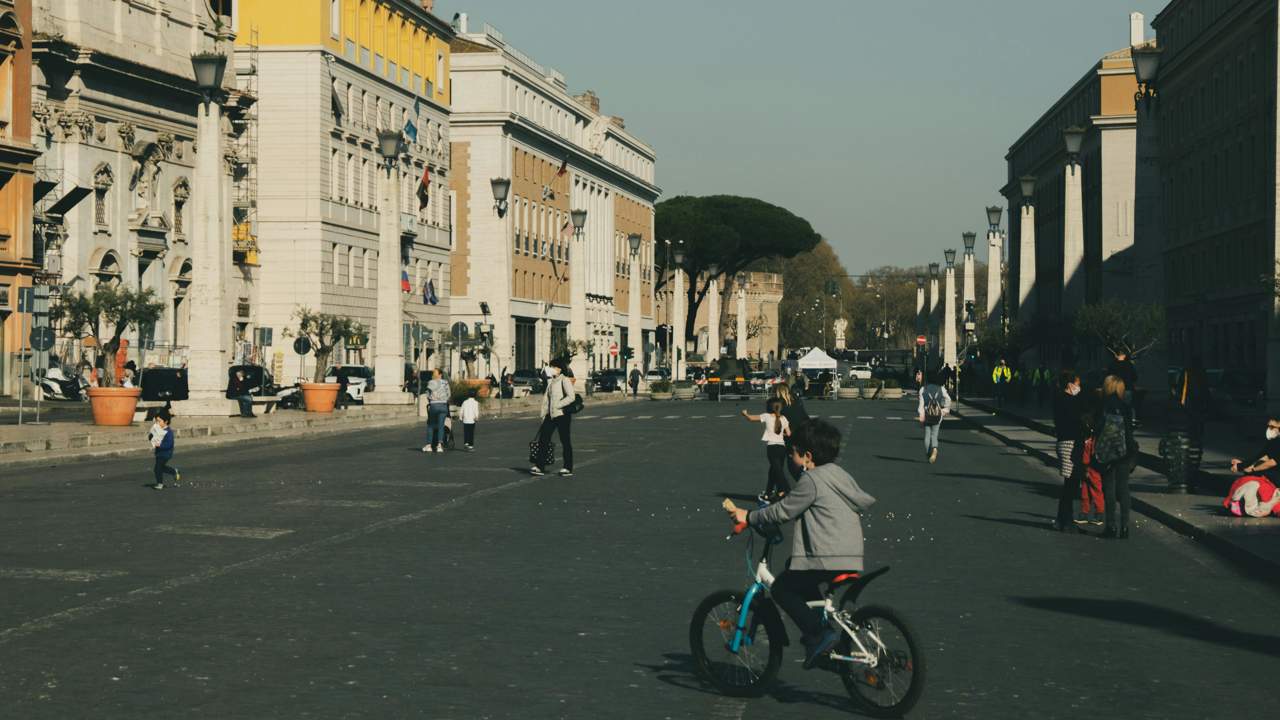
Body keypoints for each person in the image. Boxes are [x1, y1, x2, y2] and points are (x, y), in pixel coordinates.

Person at [724, 419, 877, 669]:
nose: (790, 460)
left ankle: (818, 633)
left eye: (792, 454)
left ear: (807, 457)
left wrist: (749, 516)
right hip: (849, 553)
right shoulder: (840, 475)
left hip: (827, 554)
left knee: (782, 588)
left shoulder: (812, 480)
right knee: (794, 568)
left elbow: (784, 511)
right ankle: (822, 629)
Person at [1096, 375, 1137, 539]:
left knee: (1109, 489)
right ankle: (1125, 527)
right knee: (1123, 488)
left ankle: (1111, 526)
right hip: (1125, 451)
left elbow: (1097, 427)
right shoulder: (1126, 406)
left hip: (1107, 451)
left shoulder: (1103, 405)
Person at [1051, 371, 1087, 531]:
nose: (1079, 387)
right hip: (1071, 444)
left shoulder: (1059, 400)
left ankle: (1062, 519)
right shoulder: (1069, 401)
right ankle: (1067, 521)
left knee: (1069, 485)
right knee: (1071, 485)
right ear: (1070, 384)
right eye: (1078, 384)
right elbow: (1076, 423)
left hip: (1064, 442)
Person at [1227, 415, 1280, 516]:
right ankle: (1239, 502)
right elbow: (1260, 457)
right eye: (1269, 426)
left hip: (1276, 478)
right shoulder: (1274, 442)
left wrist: (1253, 469)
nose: (1269, 430)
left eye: (1273, 427)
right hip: (1274, 475)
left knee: (1256, 481)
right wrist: (1241, 465)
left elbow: (1272, 462)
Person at [741, 398, 792, 501]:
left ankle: (788, 491)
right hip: (782, 447)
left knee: (777, 471)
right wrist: (782, 433)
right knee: (774, 471)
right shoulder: (783, 418)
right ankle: (769, 493)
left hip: (772, 447)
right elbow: (789, 433)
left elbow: (751, 418)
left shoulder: (767, 416)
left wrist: (745, 414)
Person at [531, 357, 575, 476]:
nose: (551, 369)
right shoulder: (551, 382)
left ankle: (567, 467)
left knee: (565, 441)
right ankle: (540, 466)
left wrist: (558, 405)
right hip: (550, 415)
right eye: (551, 367)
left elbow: (571, 397)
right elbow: (547, 400)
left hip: (562, 415)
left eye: (554, 367)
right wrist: (543, 414)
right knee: (543, 439)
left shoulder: (564, 380)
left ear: (560, 369)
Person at [773, 383, 809, 482]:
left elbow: (777, 424)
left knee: (790, 464)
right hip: (804, 433)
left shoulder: (779, 404)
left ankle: (804, 485)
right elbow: (805, 417)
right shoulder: (797, 401)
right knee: (801, 461)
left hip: (790, 437)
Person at [917, 370, 951, 464]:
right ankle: (935, 448)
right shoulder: (941, 389)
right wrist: (945, 410)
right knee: (935, 434)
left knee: (927, 435)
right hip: (937, 415)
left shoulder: (923, 389)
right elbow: (948, 399)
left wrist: (921, 416)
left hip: (927, 415)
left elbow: (921, 405)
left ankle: (928, 453)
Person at [148, 410, 180, 491]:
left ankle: (160, 484)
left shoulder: (168, 432)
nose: (157, 423)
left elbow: (169, 445)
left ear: (166, 421)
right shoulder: (158, 430)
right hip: (159, 453)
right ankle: (174, 471)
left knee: (157, 468)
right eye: (156, 421)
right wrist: (151, 436)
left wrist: (160, 445)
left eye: (159, 421)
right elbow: (152, 437)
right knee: (161, 467)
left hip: (166, 454)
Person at [422, 368, 450, 453]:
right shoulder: (445, 383)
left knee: (431, 425)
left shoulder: (431, 382)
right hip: (444, 405)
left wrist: (431, 400)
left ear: (439, 374)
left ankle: (429, 445)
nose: (433, 374)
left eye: (435, 372)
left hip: (434, 405)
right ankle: (439, 446)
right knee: (441, 425)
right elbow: (449, 394)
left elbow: (427, 393)